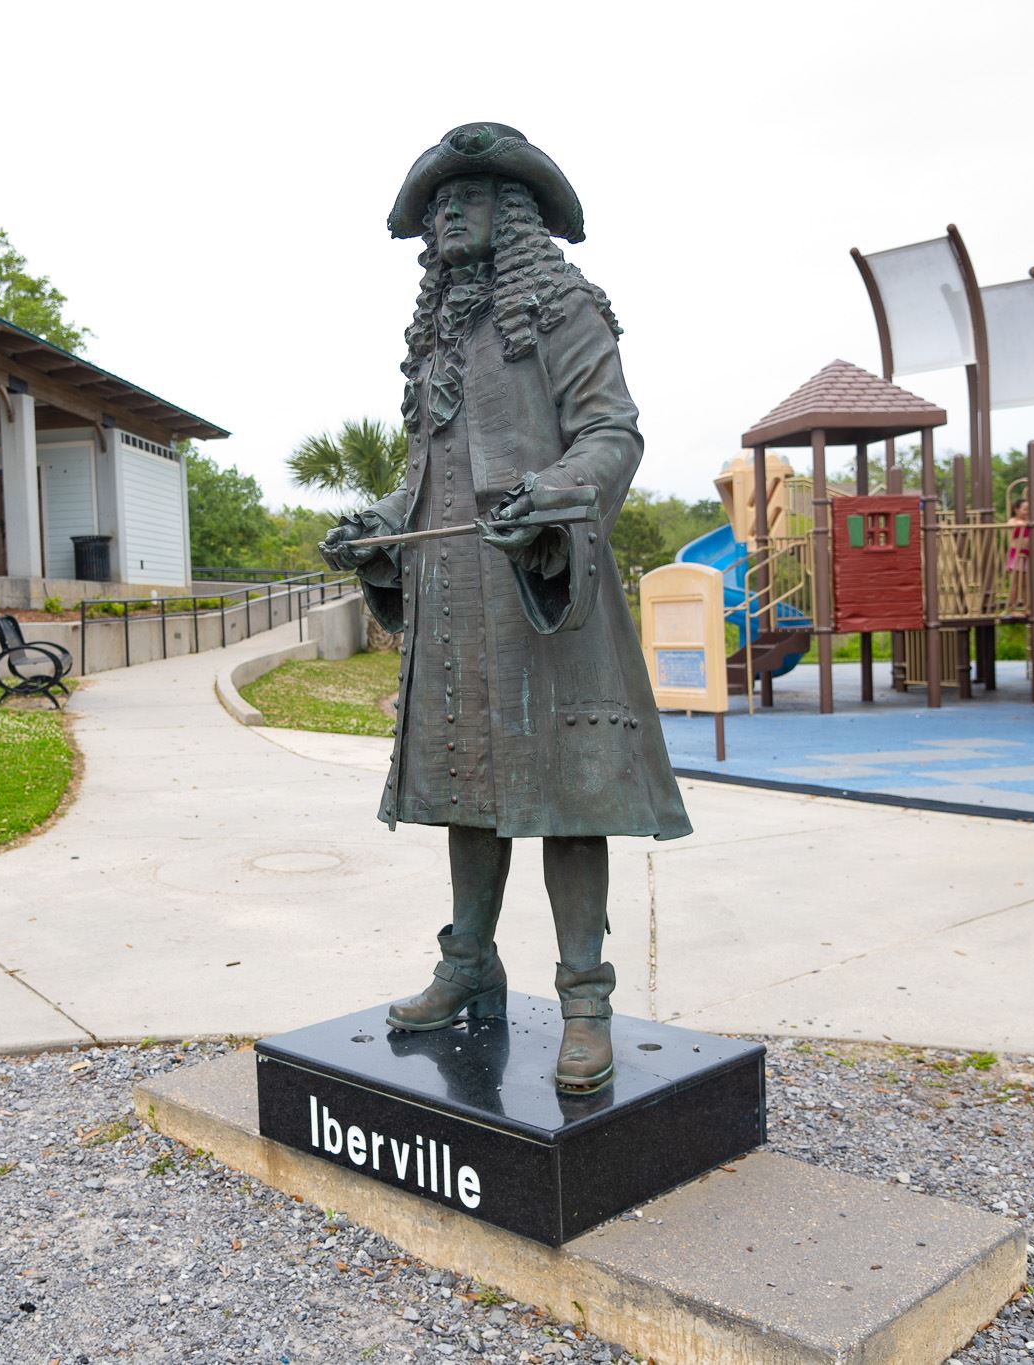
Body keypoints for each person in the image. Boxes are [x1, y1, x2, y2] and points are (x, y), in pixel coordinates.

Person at [320, 123, 691, 1095]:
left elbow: (611, 429)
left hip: (543, 587)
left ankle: (584, 999)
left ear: (512, 211)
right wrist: (380, 528)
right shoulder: (438, 329)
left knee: (570, 797)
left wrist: (558, 494)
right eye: (437, 201)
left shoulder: (560, 304)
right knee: (461, 793)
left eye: (467, 196)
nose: (447, 213)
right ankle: (468, 966)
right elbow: (429, 470)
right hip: (453, 600)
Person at [1006, 499, 1032, 605]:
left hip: (1026, 554)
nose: (1027, 512)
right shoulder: (1012, 521)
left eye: (1029, 509)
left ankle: (1028, 608)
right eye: (1025, 509)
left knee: (1026, 584)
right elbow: (1016, 524)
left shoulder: (1028, 520)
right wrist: (1025, 522)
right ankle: (1012, 608)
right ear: (1016, 510)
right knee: (1015, 584)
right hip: (1016, 554)